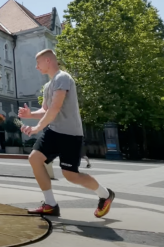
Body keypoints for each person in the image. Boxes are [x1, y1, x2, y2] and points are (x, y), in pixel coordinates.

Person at [18, 49, 114, 218]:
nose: (36, 67)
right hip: (54, 131)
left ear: (48, 61)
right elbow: (46, 109)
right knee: (34, 158)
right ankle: (50, 204)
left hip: (70, 135)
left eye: (38, 63)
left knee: (71, 175)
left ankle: (105, 194)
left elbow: (56, 107)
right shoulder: (48, 85)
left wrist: (36, 128)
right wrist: (30, 115)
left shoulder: (63, 78)